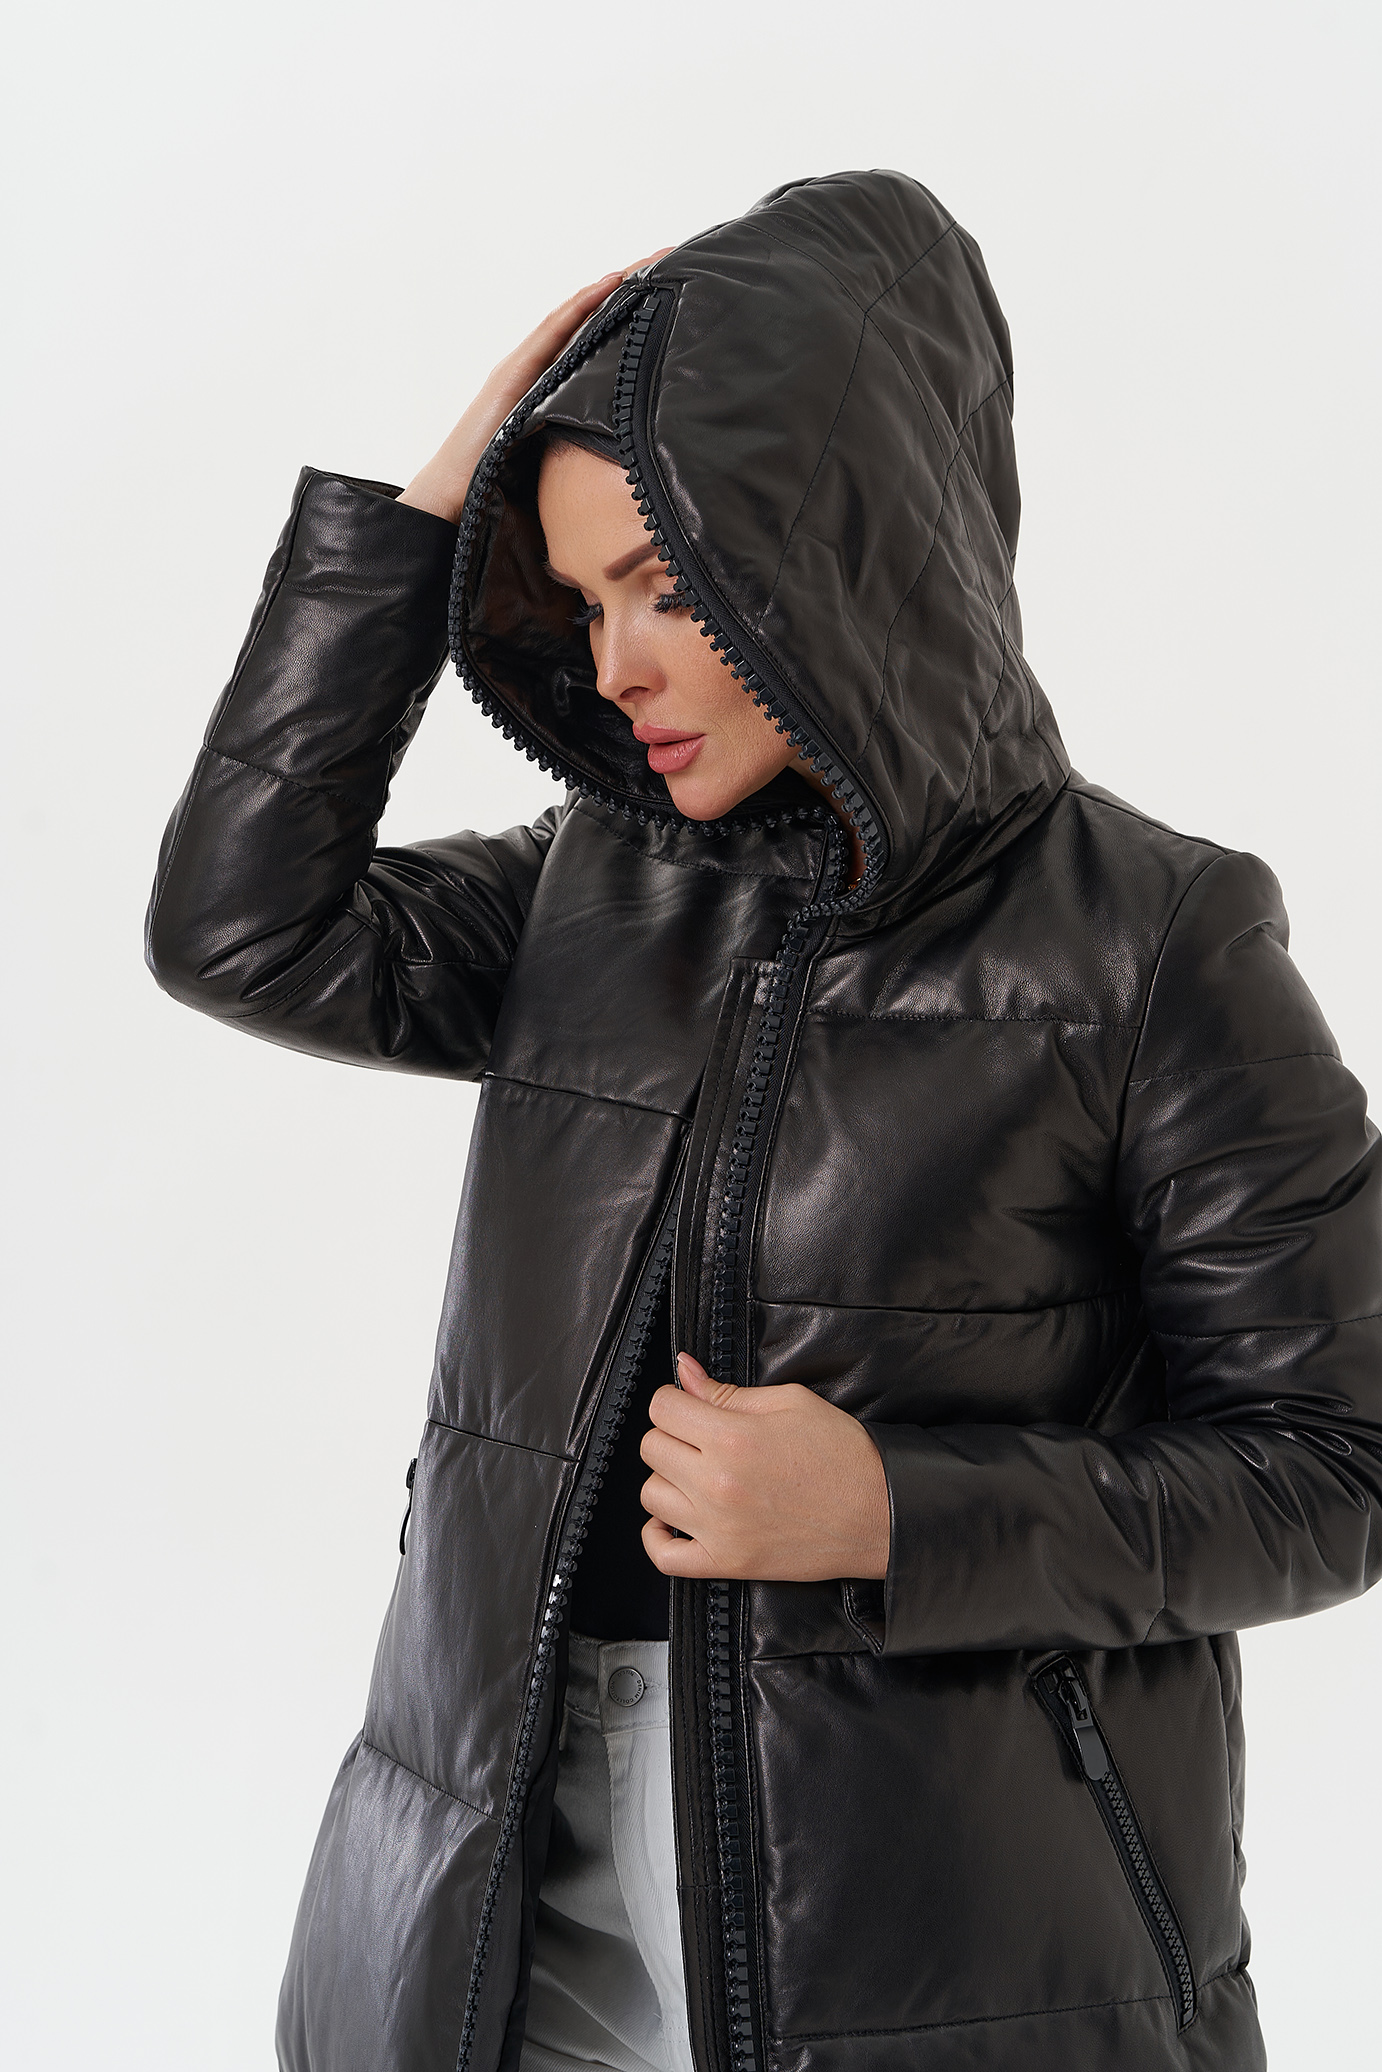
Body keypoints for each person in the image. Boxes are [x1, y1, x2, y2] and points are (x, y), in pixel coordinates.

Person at [145, 170, 1382, 2072]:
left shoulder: (1153, 940)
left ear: (843, 554)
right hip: (489, 1825)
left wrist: (891, 1511)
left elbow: (1334, 1463)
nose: (611, 666)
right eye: (579, 600)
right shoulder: (591, 883)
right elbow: (241, 931)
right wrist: (416, 526)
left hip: (920, 1902)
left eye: (665, 587)